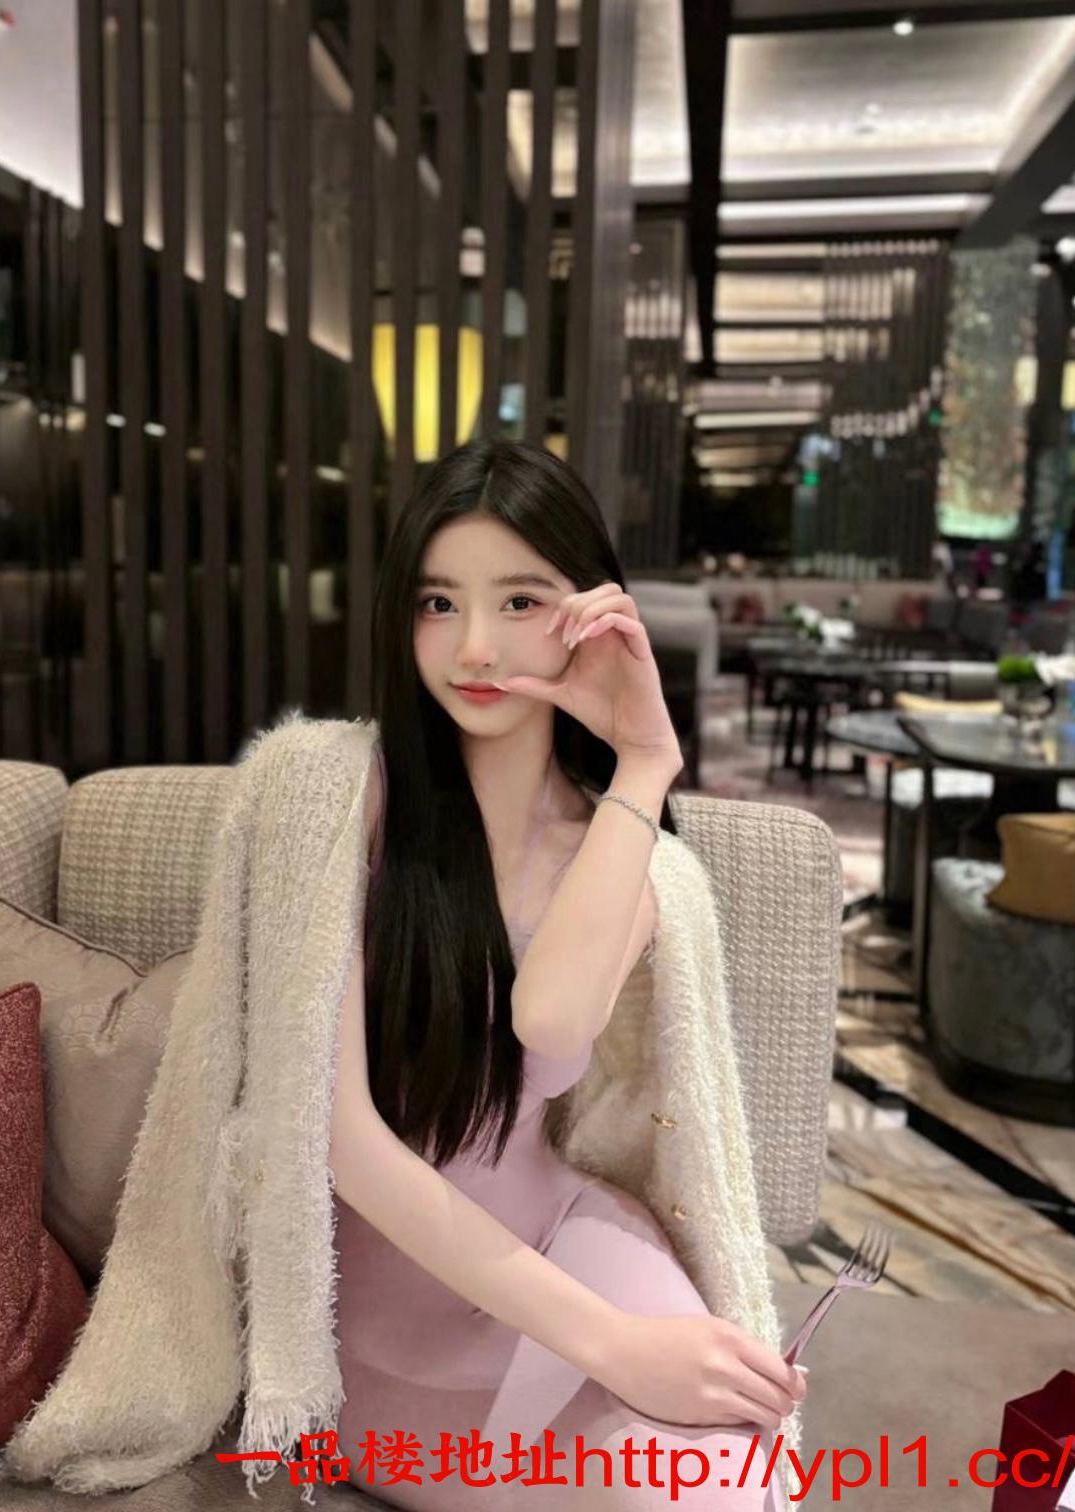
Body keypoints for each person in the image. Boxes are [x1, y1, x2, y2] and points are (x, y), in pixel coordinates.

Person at [328, 438, 803, 1509]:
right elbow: (345, 1146)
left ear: (591, 614)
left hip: (564, 1236)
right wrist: (619, 1347)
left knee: (740, 1481)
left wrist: (648, 760)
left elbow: (547, 1025)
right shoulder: (343, 805)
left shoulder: (621, 842)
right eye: (439, 603)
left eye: (521, 601)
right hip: (388, 1319)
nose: (475, 646)